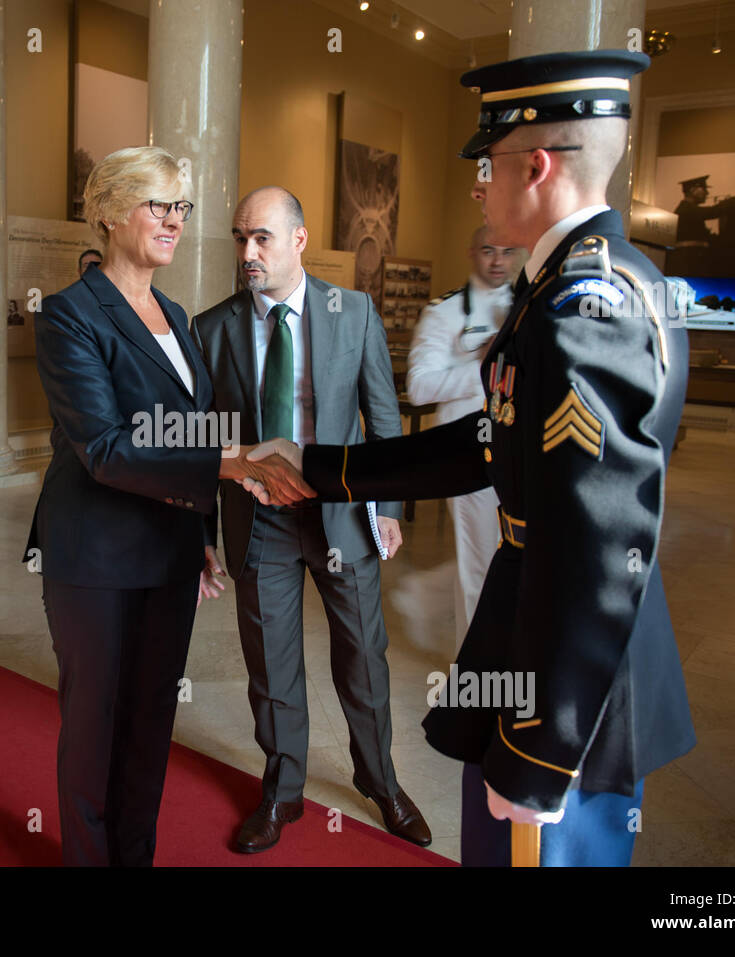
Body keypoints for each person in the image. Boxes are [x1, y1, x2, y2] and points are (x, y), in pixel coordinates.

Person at [247, 50, 696, 866]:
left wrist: (543, 749)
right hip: (529, 635)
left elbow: (599, 543)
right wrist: (320, 467)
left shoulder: (586, 305)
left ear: (539, 163)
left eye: (486, 166)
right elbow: (490, 440)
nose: (477, 187)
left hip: (569, 684)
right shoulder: (562, 284)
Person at [23, 147, 304, 866]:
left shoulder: (176, 314)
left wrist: (199, 530)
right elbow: (107, 449)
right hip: (95, 553)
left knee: (150, 724)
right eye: (159, 205)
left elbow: (194, 427)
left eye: (181, 208)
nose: (175, 221)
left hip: (169, 552)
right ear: (113, 211)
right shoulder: (68, 315)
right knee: (96, 727)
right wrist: (234, 463)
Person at [193, 186, 431, 852]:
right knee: (271, 664)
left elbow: (383, 419)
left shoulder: (352, 313)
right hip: (259, 521)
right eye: (241, 237)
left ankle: (381, 780)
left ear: (298, 239)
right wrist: (200, 533)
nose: (248, 251)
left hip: (343, 516)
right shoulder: (213, 328)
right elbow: (207, 440)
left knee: (363, 657)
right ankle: (282, 789)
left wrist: (387, 507)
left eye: (262, 237)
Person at [406, 227, 521, 647]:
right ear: (472, 252)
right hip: (470, 453)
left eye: (508, 251)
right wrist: (487, 363)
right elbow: (419, 387)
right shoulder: (445, 312)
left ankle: (425, 599)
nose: (498, 261)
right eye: (489, 250)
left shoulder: (527, 308)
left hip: (523, 453)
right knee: (478, 564)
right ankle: (472, 675)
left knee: (513, 561)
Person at [673, 175, 735, 244]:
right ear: (692, 190)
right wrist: (733, 200)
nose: (707, 193)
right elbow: (713, 211)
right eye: (704, 189)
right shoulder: (686, 209)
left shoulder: (686, 208)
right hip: (690, 254)